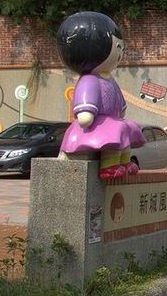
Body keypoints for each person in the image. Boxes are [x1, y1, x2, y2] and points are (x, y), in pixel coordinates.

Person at [57, 12, 145, 181]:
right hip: (97, 124)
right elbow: (86, 100)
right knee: (115, 131)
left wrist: (121, 110)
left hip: (112, 119)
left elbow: (119, 100)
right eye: (117, 47)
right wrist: (86, 112)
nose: (120, 53)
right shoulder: (89, 80)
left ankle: (124, 161)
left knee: (128, 127)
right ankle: (109, 165)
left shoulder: (109, 79)